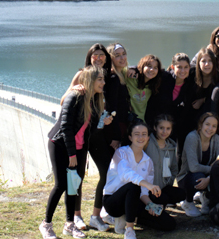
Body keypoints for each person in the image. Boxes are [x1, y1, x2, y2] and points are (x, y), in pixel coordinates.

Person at [41, 66, 109, 239]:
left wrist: (102, 123)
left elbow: (89, 131)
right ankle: (46, 224)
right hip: (60, 145)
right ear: (90, 80)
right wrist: (71, 154)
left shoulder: (94, 100)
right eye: (99, 79)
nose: (103, 82)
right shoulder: (75, 96)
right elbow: (65, 127)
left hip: (78, 148)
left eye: (103, 79)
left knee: (74, 186)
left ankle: (69, 225)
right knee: (61, 185)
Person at [102, 120, 176, 239]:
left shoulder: (148, 161)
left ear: (148, 137)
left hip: (134, 202)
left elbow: (143, 193)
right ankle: (129, 230)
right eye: (137, 134)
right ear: (130, 137)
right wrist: (148, 184)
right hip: (113, 202)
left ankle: (131, 218)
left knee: (169, 223)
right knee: (133, 186)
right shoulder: (121, 152)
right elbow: (126, 174)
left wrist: (150, 205)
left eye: (144, 134)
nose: (141, 137)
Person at [78, 44, 119, 232]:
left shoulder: (109, 78)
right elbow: (65, 100)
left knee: (106, 172)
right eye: (95, 55)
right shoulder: (82, 75)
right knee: (77, 177)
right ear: (89, 57)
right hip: (80, 136)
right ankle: (75, 217)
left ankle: (95, 216)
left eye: (102, 55)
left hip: (97, 135)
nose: (98, 58)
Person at [177, 112, 219, 217]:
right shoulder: (192, 137)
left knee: (218, 177)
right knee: (198, 176)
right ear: (201, 124)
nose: (210, 128)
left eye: (214, 126)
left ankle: (206, 197)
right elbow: (193, 167)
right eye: (207, 124)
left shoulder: (218, 140)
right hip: (187, 177)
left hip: (207, 177)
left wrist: (210, 178)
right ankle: (187, 201)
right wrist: (212, 170)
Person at [146, 53, 194, 150]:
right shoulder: (163, 77)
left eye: (186, 67)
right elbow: (145, 72)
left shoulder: (189, 83)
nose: (183, 71)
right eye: (179, 67)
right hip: (152, 123)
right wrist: (133, 69)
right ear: (172, 67)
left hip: (170, 127)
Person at [145, 114, 186, 209]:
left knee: (181, 194)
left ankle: (161, 204)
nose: (164, 131)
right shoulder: (147, 142)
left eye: (168, 128)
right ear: (155, 127)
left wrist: (169, 182)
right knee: (162, 198)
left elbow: (174, 168)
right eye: (161, 128)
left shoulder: (171, 146)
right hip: (147, 188)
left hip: (162, 187)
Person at [126, 54, 162, 123]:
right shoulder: (130, 78)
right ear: (142, 66)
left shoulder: (153, 86)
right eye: (149, 66)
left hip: (141, 123)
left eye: (155, 67)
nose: (152, 70)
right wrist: (132, 68)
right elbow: (118, 70)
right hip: (126, 120)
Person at [191, 48, 219, 122]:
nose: (207, 64)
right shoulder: (192, 75)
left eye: (210, 61)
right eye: (203, 61)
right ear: (198, 63)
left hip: (209, 117)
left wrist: (203, 100)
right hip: (191, 115)